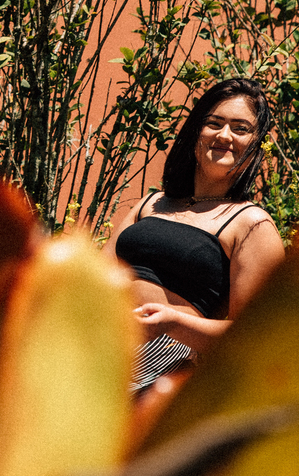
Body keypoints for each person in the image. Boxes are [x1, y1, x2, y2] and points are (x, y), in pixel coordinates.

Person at [110, 78, 286, 395]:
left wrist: (173, 323)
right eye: (214, 123)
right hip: (101, 346)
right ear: (196, 133)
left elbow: (259, 338)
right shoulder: (150, 204)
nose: (224, 135)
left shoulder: (251, 224)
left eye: (240, 128)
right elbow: (99, 272)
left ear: (256, 144)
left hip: (161, 368)